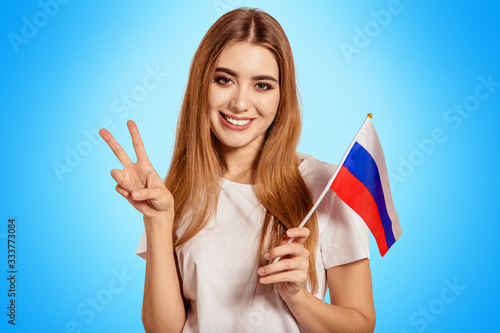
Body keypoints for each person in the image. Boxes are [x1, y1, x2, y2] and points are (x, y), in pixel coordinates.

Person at [100, 7, 375, 333]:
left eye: (262, 85)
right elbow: (163, 330)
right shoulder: (173, 193)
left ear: (281, 96)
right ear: (202, 84)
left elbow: (360, 325)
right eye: (224, 79)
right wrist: (158, 221)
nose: (240, 104)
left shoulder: (327, 188)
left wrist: (296, 296)